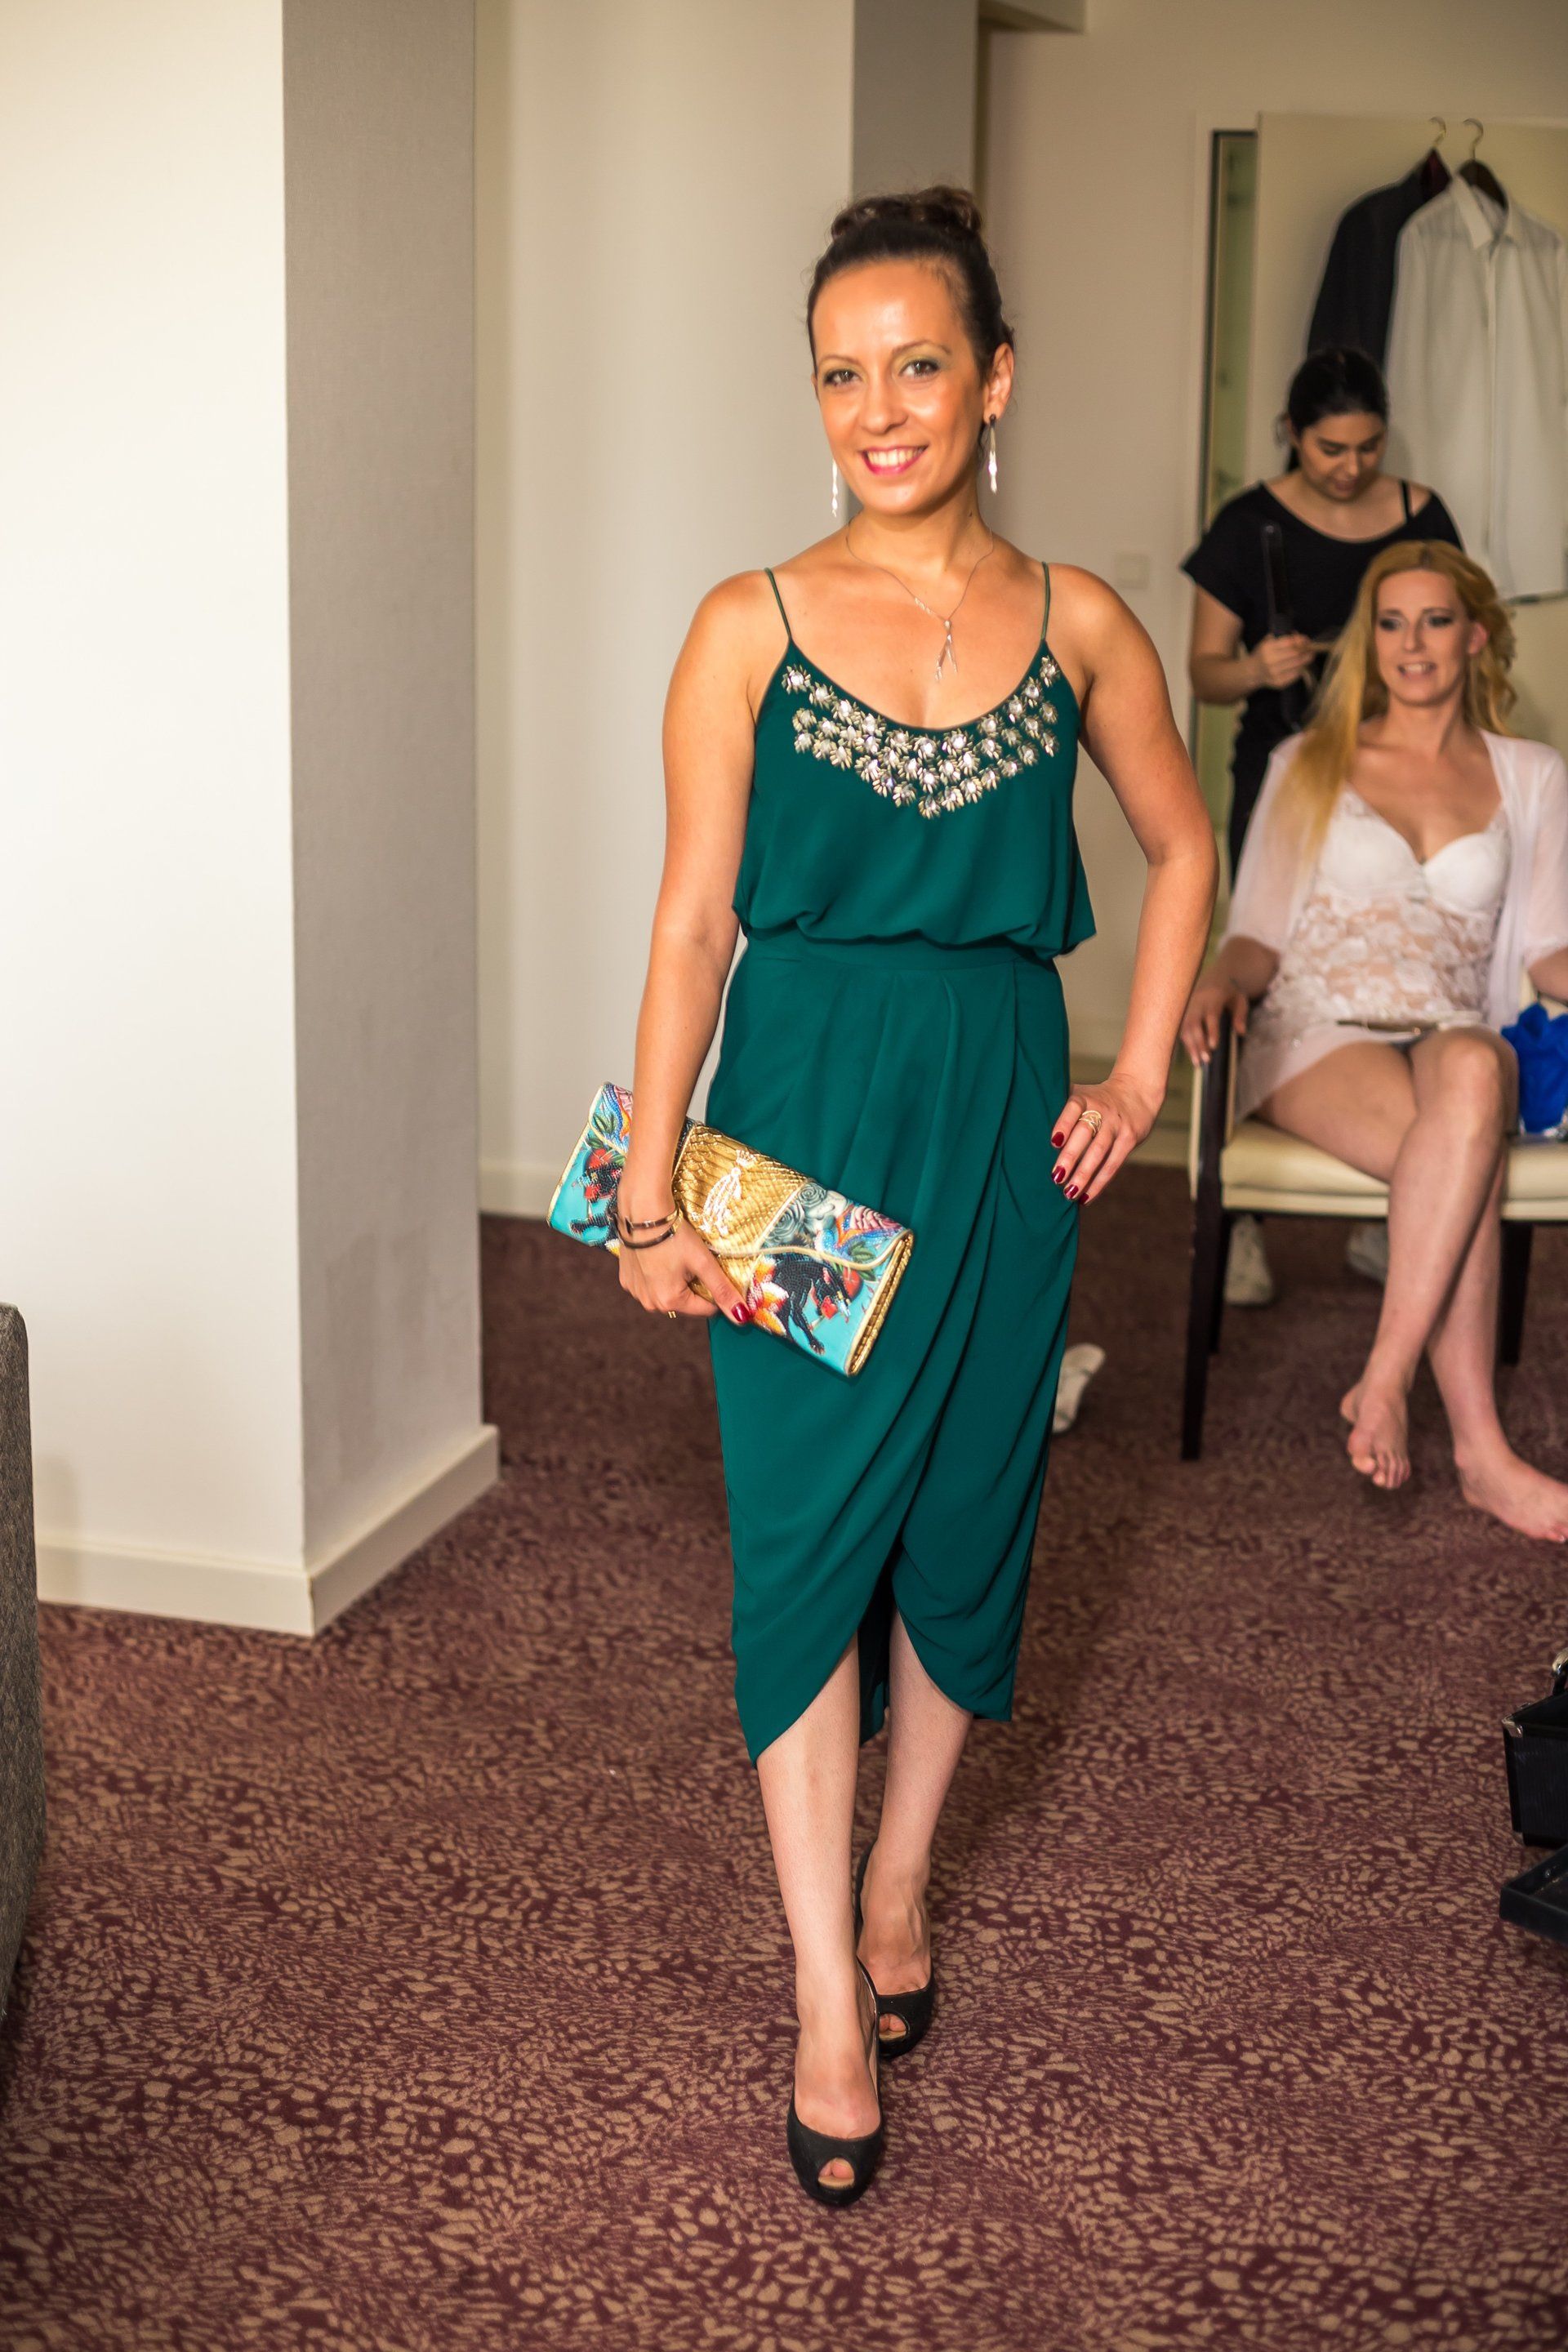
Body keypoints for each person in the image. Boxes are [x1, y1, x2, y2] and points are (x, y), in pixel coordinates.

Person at [615, 188, 1217, 2205]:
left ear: (996, 379)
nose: (879, 410)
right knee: (802, 1545)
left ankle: (897, 1889)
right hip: (795, 1122)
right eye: (841, 374)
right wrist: (648, 1191)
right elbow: (693, 922)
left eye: (919, 365)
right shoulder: (746, 625)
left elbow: (1183, 845)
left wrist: (1136, 1069)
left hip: (1001, 1116)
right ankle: (819, 1988)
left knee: (970, 1525)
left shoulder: (1082, 623)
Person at [1181, 542, 1568, 1540]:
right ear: (1370, 640)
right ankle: (1482, 1455)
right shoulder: (1307, 760)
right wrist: (1222, 979)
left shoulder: (1533, 775)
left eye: (1436, 620)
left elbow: (1549, 949)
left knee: (1478, 1066)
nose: (1413, 643)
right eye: (1391, 623)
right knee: (1466, 1156)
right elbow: (1257, 933)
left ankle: (1384, 1376)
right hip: (1317, 1028)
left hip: (1449, 1025)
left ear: (1474, 635)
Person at [1183, 349, 1464, 1308]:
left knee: (1408, 961)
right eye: (1330, 448)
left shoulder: (1421, 516)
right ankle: (1244, 1219)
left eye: (1369, 447)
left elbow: (1456, 624)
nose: (1351, 467)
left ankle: (1396, 1200)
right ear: (1291, 436)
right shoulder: (1246, 526)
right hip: (1289, 776)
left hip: (1404, 773)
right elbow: (1203, 672)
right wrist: (1256, 670)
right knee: (1273, 965)